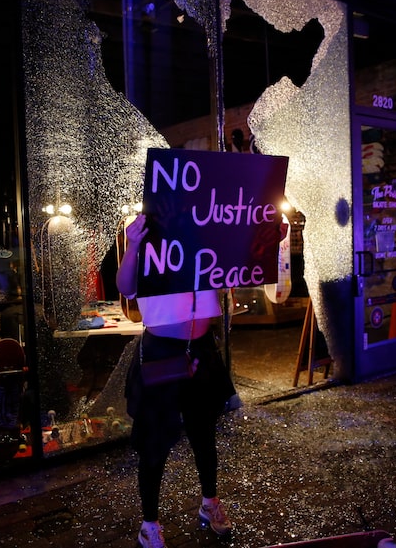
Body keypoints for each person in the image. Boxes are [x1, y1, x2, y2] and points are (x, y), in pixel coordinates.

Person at [117, 213, 288, 548]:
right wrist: (134, 244)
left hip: (201, 348)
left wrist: (272, 241)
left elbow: (245, 269)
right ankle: (149, 524)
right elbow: (126, 287)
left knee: (204, 434)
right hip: (162, 351)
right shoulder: (147, 229)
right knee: (155, 441)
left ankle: (210, 503)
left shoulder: (211, 232)